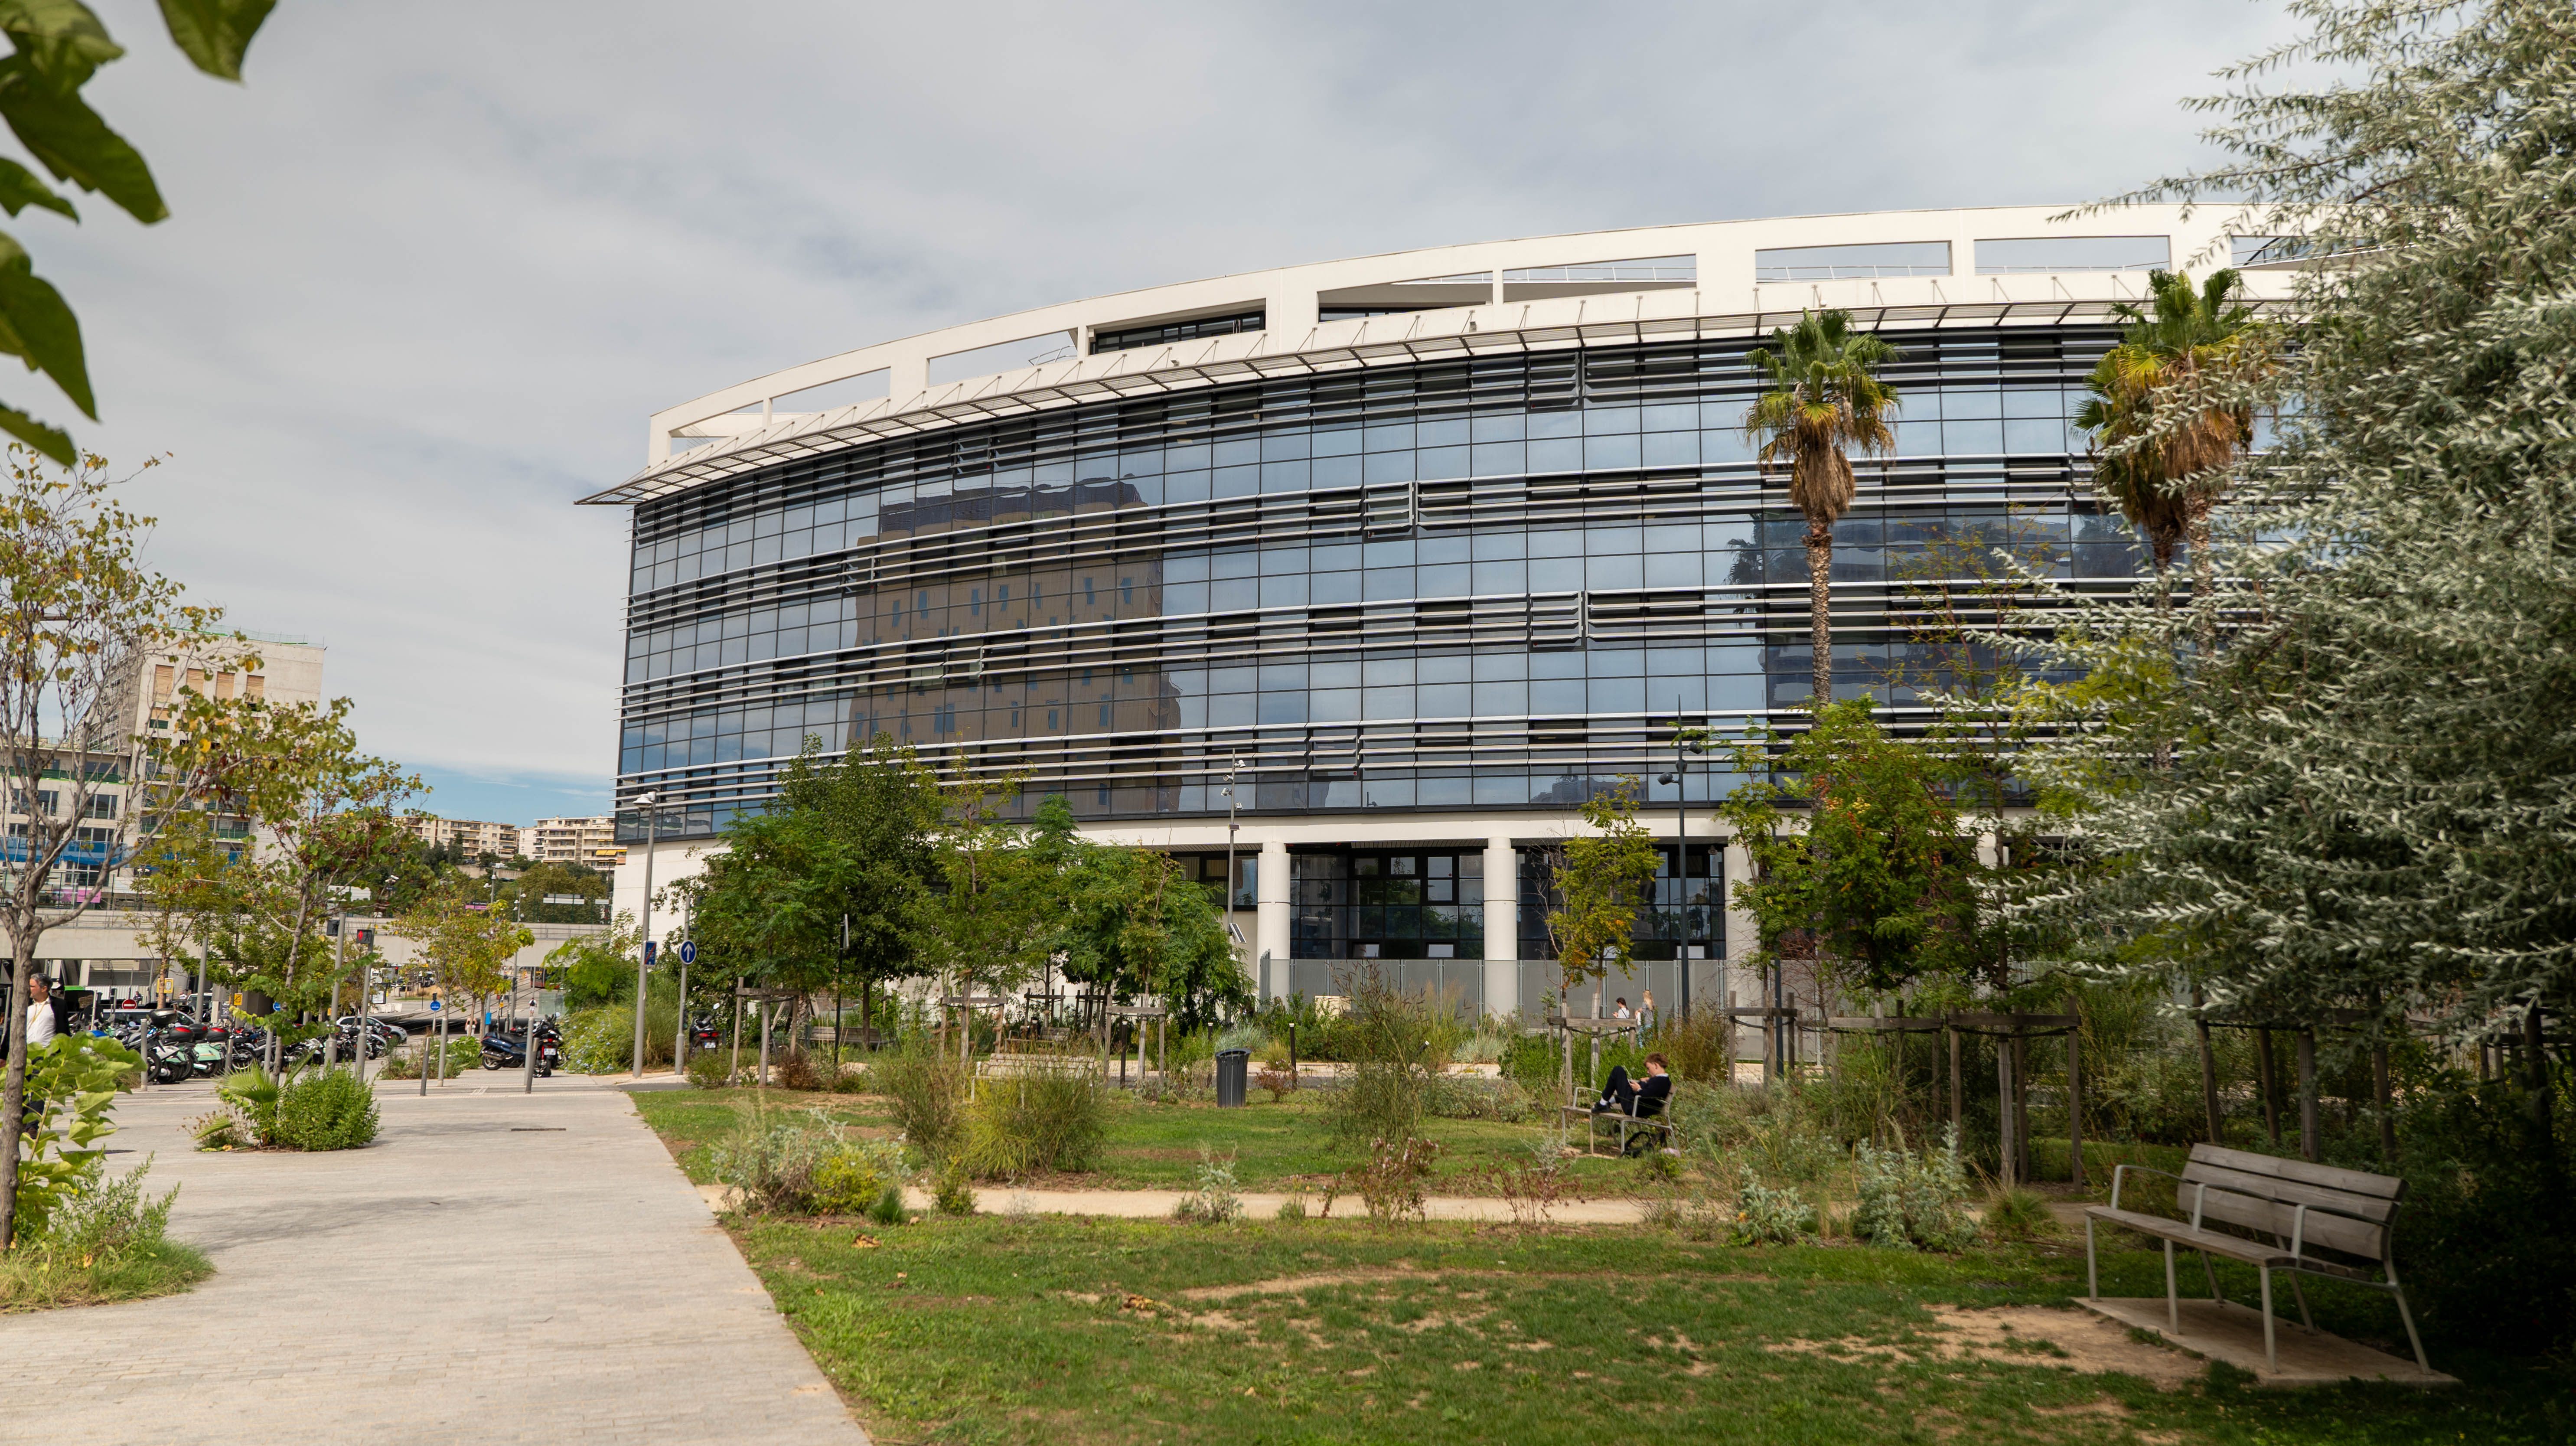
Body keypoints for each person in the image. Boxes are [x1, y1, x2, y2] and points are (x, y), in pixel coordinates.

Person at [1592, 1052, 1672, 1118]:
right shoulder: (1662, 1081)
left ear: (1655, 1065)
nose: (1648, 1072)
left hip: (1634, 1109)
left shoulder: (1661, 1082)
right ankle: (1606, 1103)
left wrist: (1639, 1089)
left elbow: (1648, 1095)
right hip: (1636, 1107)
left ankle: (1602, 1104)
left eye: (1648, 1068)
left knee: (1618, 1070)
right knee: (1621, 1078)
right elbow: (1652, 1092)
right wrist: (1646, 1082)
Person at [24, 975, 56, 1051]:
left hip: (45, 1054)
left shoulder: (57, 1005)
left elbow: (63, 1031)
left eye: (32, 986)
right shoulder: (24, 1004)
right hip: (24, 1052)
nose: (29, 989)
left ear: (44, 989)